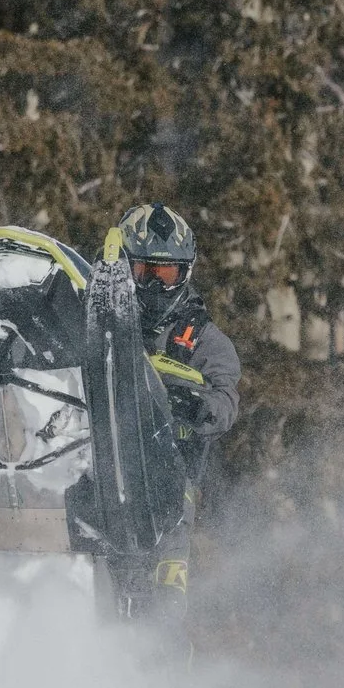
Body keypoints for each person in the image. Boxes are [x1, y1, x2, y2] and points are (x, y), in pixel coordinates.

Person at [113, 202, 240, 607]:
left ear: (184, 273)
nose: (153, 285)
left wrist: (196, 405)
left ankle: (164, 660)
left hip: (168, 485)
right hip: (93, 466)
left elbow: (225, 398)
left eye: (165, 273)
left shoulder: (203, 338)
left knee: (165, 599)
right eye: (144, 272)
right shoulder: (95, 320)